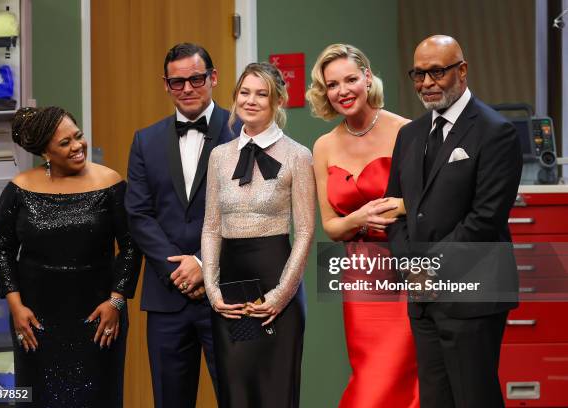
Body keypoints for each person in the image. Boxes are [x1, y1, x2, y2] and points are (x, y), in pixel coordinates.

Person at [386, 35, 522, 408]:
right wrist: (409, 266)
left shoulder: (496, 132)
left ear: (461, 71)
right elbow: (394, 210)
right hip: (424, 297)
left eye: (437, 72)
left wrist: (428, 266)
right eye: (419, 74)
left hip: (473, 294)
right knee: (435, 400)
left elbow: (485, 219)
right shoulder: (409, 135)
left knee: (473, 398)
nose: (426, 83)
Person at [0, 106, 142, 408]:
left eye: (79, 137)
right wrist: (16, 307)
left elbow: (130, 244)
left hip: (99, 317)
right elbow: (2, 248)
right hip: (35, 321)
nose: (77, 147)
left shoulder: (110, 182)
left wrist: (116, 300)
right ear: (46, 152)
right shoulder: (19, 189)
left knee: (98, 396)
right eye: (65, 143)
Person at [125, 43, 238, 408]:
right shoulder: (145, 140)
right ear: (166, 84)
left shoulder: (241, 134)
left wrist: (203, 265)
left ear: (213, 78)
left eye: (196, 79)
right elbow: (139, 214)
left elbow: (246, 212)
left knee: (239, 396)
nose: (187, 88)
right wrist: (179, 269)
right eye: (177, 82)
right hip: (167, 296)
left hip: (229, 293)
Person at [307, 44, 419, 408]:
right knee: (369, 374)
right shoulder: (323, 146)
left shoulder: (408, 131)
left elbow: (429, 205)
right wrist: (357, 219)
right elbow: (330, 227)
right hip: (359, 273)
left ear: (368, 78)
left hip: (405, 268)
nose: (343, 91)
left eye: (351, 79)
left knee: (401, 376)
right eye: (333, 85)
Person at [201, 62, 315, 408]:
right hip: (231, 292)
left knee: (275, 393)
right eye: (244, 92)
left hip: (277, 281)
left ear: (278, 100)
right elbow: (210, 227)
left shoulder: (298, 155)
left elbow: (307, 231)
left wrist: (281, 295)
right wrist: (212, 288)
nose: (250, 100)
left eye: (261, 94)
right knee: (237, 393)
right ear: (235, 98)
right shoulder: (220, 157)